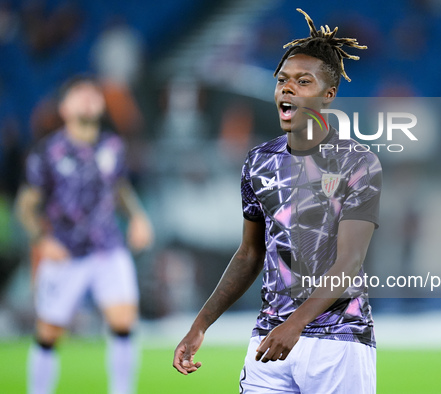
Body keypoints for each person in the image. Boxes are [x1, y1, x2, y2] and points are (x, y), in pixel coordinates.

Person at [174, 9, 381, 393]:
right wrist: (200, 324)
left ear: (328, 94)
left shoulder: (358, 162)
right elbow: (249, 255)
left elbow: (350, 261)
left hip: (338, 343)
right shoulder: (258, 162)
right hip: (270, 341)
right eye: (282, 80)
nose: (287, 88)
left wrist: (297, 324)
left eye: (303, 81)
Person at [16, 75, 153, 394]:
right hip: (66, 252)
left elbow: (119, 188)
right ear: (64, 108)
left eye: (93, 94)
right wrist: (41, 240)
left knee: (123, 322)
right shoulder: (47, 152)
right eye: (79, 94)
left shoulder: (112, 146)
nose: (88, 99)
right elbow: (26, 205)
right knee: (49, 333)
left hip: (108, 247)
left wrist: (137, 218)